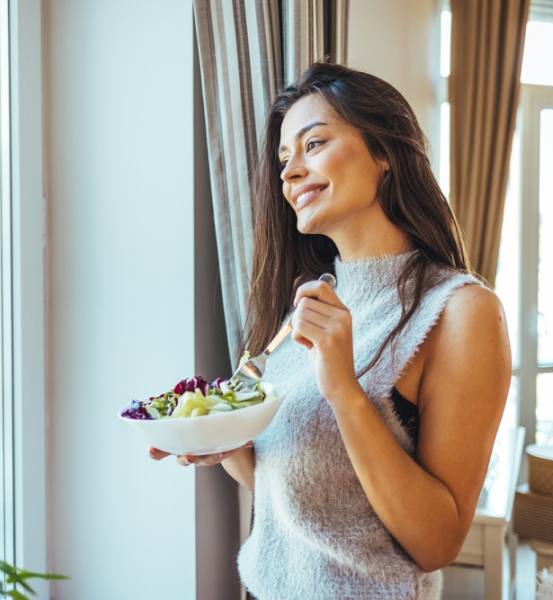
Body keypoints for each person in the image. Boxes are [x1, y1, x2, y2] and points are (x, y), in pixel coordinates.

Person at [150, 62, 511, 599]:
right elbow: (297, 497)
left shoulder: (461, 312)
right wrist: (218, 437)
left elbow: (437, 543)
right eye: (283, 159)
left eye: (313, 143)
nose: (290, 172)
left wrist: (344, 390)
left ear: (384, 152)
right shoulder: (308, 305)